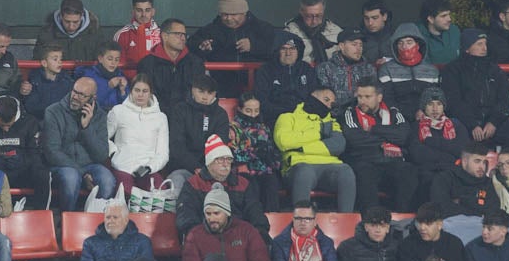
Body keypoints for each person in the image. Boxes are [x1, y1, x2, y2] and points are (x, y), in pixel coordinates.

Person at [274, 85, 356, 213]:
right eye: (326, 99)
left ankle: (346, 222)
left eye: (332, 103)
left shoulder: (331, 122)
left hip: (330, 166)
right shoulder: (287, 117)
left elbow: (338, 145)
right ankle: (301, 219)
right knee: (304, 172)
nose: (328, 105)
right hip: (298, 165)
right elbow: (284, 142)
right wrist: (318, 133)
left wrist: (301, 148)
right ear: (313, 96)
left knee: (346, 171)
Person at [340, 81, 419, 212]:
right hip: (365, 160)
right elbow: (355, 139)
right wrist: (387, 137)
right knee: (364, 174)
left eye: (367, 97)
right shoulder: (350, 112)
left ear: (379, 97)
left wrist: (372, 128)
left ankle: (402, 220)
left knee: (409, 172)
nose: (362, 101)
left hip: (392, 161)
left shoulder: (393, 112)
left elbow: (403, 135)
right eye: (359, 96)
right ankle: (372, 220)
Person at [176, 134, 271, 240]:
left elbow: (255, 213)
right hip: (205, 239)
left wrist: (257, 235)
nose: (225, 164)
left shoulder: (243, 184)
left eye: (228, 159)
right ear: (209, 163)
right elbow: (186, 219)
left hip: (239, 240)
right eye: (220, 160)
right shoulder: (194, 184)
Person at [43, 77, 116, 210]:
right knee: (71, 177)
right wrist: (82, 173)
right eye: (75, 92)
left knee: (108, 180)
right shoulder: (53, 111)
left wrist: (86, 128)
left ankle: (95, 219)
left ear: (92, 98)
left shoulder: (100, 115)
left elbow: (102, 155)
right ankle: (66, 220)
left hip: (90, 165)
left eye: (82, 95)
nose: (75, 97)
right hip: (62, 165)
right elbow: (52, 152)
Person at [441, 28, 509, 145]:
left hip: (492, 124)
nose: (484, 48)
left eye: (485, 44)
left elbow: (506, 101)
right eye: (479, 44)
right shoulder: (452, 70)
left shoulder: (495, 70)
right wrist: (472, 125)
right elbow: (453, 102)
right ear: (467, 48)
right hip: (463, 123)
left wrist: (493, 122)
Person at [106, 76, 168, 195]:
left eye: (145, 91)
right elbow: (103, 138)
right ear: (131, 91)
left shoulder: (160, 118)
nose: (140, 95)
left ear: (150, 93)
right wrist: (114, 153)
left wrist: (149, 167)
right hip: (122, 168)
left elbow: (163, 153)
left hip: (147, 170)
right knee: (129, 194)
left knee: (160, 193)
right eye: (137, 90)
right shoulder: (118, 111)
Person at [80, 202, 152, 261]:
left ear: (126, 220)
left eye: (115, 217)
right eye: (108, 217)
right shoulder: (90, 243)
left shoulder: (142, 242)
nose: (111, 221)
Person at [377, 22, 441, 119]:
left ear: (418, 45)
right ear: (395, 47)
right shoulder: (386, 69)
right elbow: (387, 98)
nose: (404, 47)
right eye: (400, 43)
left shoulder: (432, 70)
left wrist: (424, 112)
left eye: (409, 42)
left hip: (426, 116)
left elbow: (435, 97)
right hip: (397, 118)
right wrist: (398, 116)